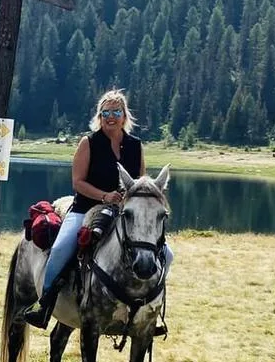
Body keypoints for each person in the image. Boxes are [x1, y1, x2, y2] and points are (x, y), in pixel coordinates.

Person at [25, 88, 172, 330]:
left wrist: (130, 197)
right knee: (61, 249)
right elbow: (78, 182)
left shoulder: (136, 145)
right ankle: (46, 304)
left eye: (116, 111)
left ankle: (150, 309)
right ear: (99, 116)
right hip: (86, 209)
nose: (111, 117)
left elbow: (141, 181)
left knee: (167, 255)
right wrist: (105, 196)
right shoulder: (89, 143)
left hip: (125, 213)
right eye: (106, 112)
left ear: (125, 116)